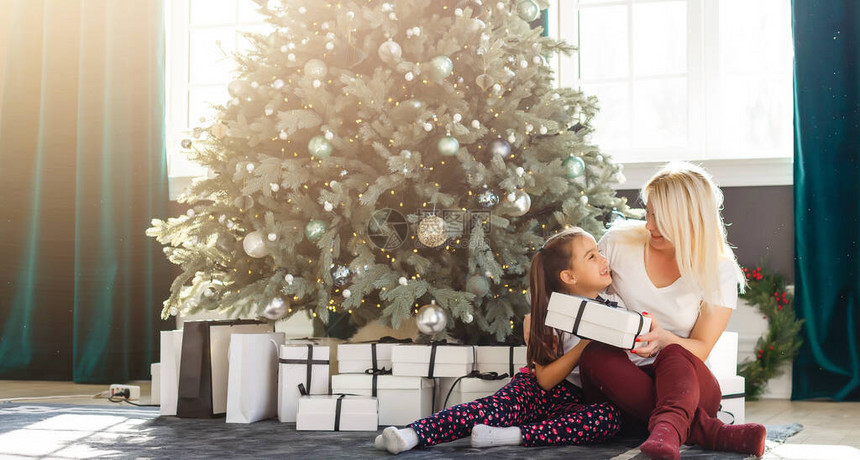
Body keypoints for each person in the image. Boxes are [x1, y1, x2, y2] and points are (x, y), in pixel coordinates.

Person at [578, 162, 767, 460]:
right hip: (621, 385)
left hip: (686, 386)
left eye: (660, 218)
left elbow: (701, 349)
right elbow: (580, 299)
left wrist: (664, 338)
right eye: (648, 213)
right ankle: (700, 431)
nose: (649, 225)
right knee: (593, 355)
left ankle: (670, 426)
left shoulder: (719, 272)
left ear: (690, 219)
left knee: (675, 353)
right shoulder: (617, 243)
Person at [374, 228, 621, 454]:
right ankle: (412, 434)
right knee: (490, 409)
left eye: (599, 253)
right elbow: (545, 380)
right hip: (535, 390)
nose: (603, 259)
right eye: (592, 256)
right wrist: (583, 346)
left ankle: (511, 435)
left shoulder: (613, 307)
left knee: (608, 418)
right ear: (569, 276)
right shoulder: (549, 315)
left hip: (574, 399)